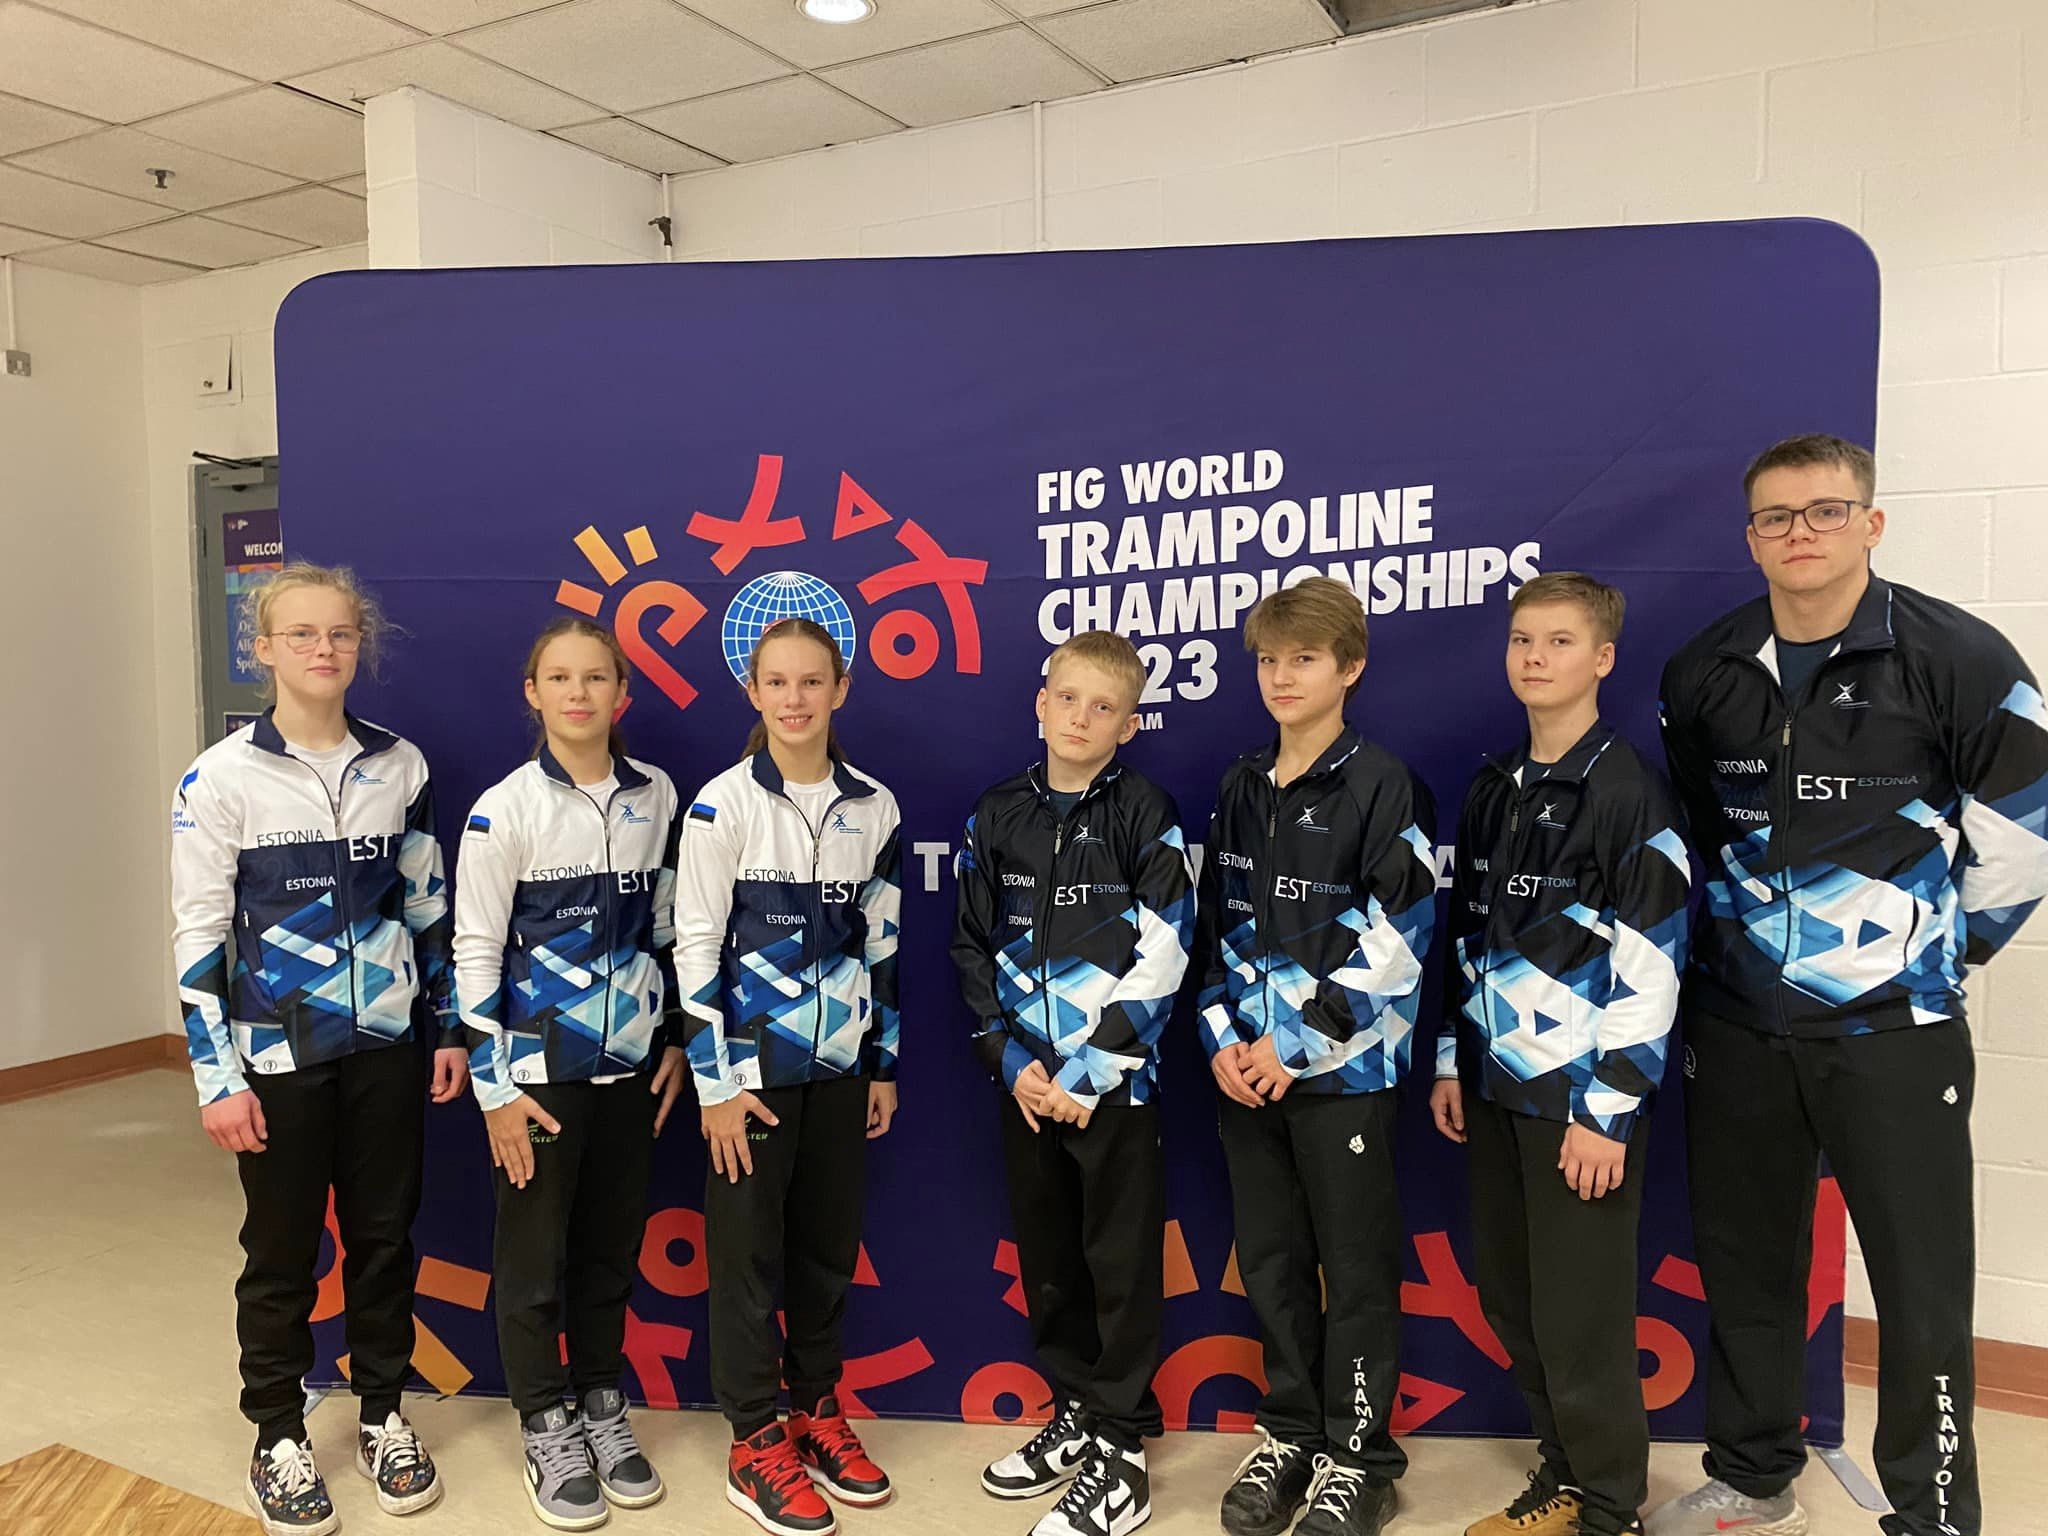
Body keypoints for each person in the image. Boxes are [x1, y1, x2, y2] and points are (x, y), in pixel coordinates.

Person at [1649, 434, 2048, 1536]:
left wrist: (1934, 958)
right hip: (1737, 1026)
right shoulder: (1704, 669)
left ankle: (1932, 1512)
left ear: (1869, 524)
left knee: (1920, 1284)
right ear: (1750, 539)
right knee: (1745, 1267)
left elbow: (2025, 832)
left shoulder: (1958, 657)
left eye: (1825, 511)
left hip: (1894, 1033)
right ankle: (1752, 1477)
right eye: (1775, 517)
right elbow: (1695, 841)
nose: (1800, 534)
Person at [170, 562, 464, 1536]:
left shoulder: (400, 767)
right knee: (281, 1251)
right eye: (300, 634)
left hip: (387, 1049)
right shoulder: (219, 779)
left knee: (384, 1239)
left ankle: (382, 1415)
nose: (323, 649)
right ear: (263, 648)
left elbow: (426, 909)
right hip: (277, 1060)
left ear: (359, 643)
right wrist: (216, 1077)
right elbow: (198, 937)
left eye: (339, 632)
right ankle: (277, 1433)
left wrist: (443, 1028)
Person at [1431, 572, 1691, 1536]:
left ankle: (1611, 1507)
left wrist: (1608, 1109)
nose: (1535, 658)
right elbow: (1468, 937)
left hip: (1580, 1104)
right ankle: (1565, 1475)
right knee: (1515, 1300)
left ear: (1603, 658)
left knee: (1582, 1317)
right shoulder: (1494, 787)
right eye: (1522, 640)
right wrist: (1454, 1061)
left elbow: (1653, 960)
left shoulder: (1628, 791)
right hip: (1496, 1088)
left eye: (1560, 641)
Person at [1195, 576, 1438, 1536]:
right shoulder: (1240, 783)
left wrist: (1293, 1046)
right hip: (1245, 1076)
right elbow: (1211, 930)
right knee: (1271, 1262)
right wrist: (1224, 1038)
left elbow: (1399, 940)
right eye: (1268, 659)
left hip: (1343, 1075)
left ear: (1351, 668)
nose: (1282, 676)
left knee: (1356, 1267)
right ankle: (1291, 1432)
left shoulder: (1383, 783)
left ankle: (1361, 1457)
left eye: (1304, 658)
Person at [952, 629, 1196, 1536]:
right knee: (1050, 1263)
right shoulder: (996, 812)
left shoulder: (1146, 811)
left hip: (1113, 1091)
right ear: (1040, 704)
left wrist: (1089, 1073)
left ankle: (1123, 1453)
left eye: (1104, 707)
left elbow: (1167, 951)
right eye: (1067, 699)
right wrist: (1011, 1062)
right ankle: (1079, 1415)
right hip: (1027, 1090)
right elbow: (970, 946)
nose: (1081, 719)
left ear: (1129, 725)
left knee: (1119, 1267)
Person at [453, 617, 689, 1531]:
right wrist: (495, 1090)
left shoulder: (658, 793)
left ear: (622, 693)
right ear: (534, 693)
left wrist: (674, 1039)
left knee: (607, 1250)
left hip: (630, 1070)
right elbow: (475, 953)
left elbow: (667, 928)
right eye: (560, 678)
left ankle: (599, 1399)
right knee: (533, 1259)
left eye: (596, 678)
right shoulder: (503, 809)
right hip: (536, 1080)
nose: (579, 694)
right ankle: (544, 1422)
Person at [675, 616, 904, 1536]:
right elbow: (694, 945)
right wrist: (716, 1083)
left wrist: (882, 1062)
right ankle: (752, 1438)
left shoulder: (875, 806)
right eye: (778, 682)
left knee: (824, 1250)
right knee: (746, 1259)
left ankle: (815, 1409)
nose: (796, 699)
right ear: (754, 692)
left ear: (840, 689)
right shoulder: (721, 805)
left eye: (813, 682)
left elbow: (882, 946)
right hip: (750, 1080)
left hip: (842, 1071)